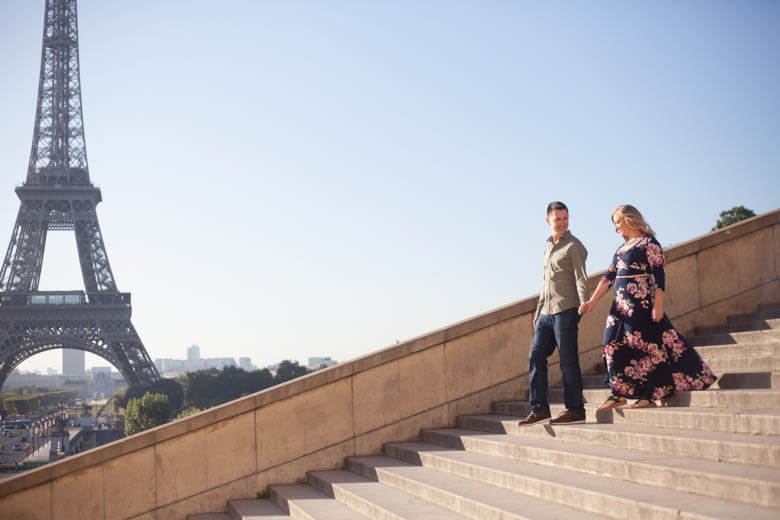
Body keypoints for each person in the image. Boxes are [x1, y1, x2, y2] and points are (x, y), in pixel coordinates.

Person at [579, 205, 716, 410]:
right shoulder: (621, 249)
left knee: (643, 347)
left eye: (618, 221)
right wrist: (591, 302)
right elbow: (608, 278)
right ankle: (618, 392)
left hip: (641, 304)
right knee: (611, 344)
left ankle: (649, 396)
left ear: (629, 218)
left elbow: (659, 275)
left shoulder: (650, 243)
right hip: (619, 307)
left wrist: (658, 305)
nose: (616, 227)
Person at [519, 201, 588, 425]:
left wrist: (584, 302)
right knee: (536, 355)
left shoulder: (574, 246)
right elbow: (545, 282)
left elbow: (580, 277)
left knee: (568, 361)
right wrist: (539, 311)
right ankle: (539, 409)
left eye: (565, 218)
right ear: (548, 221)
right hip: (546, 313)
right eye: (557, 219)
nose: (562, 223)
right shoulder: (548, 246)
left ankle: (576, 410)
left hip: (566, 310)